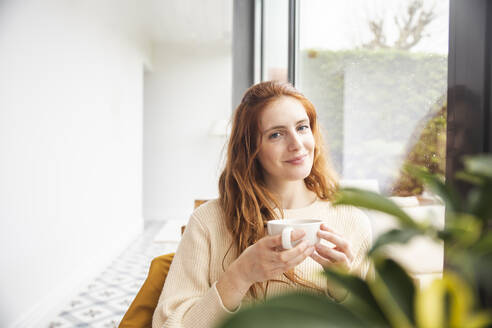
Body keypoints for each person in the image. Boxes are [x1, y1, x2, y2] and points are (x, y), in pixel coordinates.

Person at [152, 81, 372, 328]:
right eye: (276, 134)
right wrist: (239, 276)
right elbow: (168, 325)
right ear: (251, 149)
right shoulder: (208, 221)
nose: (297, 144)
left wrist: (344, 287)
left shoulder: (352, 220)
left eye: (302, 127)